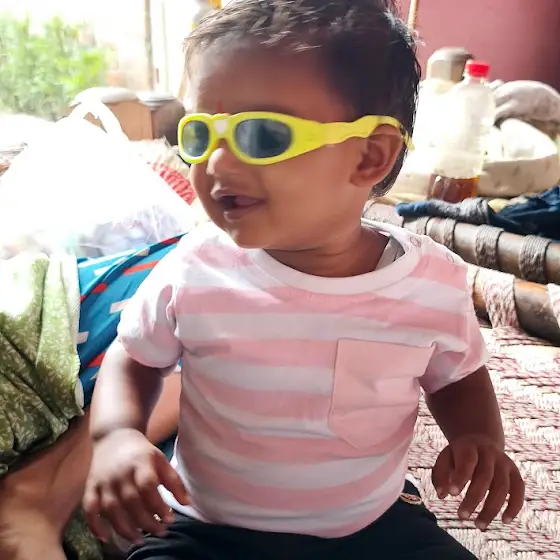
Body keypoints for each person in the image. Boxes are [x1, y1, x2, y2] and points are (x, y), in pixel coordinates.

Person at [83, 1, 525, 559]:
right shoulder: (196, 267)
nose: (216, 164)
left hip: (369, 524)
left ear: (369, 157)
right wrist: (116, 435)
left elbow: (457, 375)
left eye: (263, 136)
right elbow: (135, 357)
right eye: (199, 135)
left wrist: (479, 438)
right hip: (208, 527)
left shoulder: (431, 281)